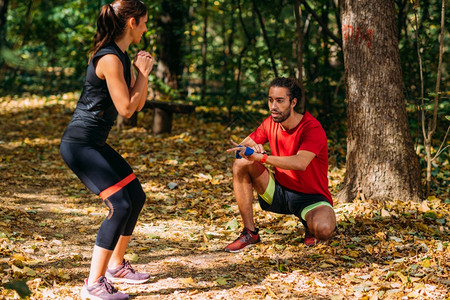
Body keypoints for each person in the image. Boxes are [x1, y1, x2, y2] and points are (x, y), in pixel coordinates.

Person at [60, 1, 154, 299]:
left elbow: (136, 103)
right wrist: (141, 74)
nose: (146, 28)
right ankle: (93, 283)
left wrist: (143, 75)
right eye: (144, 23)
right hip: (80, 145)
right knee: (120, 205)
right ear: (132, 23)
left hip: (94, 143)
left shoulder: (121, 57)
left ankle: (116, 266)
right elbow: (126, 109)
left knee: (135, 196)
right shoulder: (111, 59)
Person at [225, 77, 336, 253]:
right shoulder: (270, 123)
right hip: (279, 192)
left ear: (293, 102)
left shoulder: (312, 128)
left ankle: (309, 224)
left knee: (323, 231)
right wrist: (251, 148)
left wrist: (261, 157)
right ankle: (250, 233)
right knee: (241, 163)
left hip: (311, 198)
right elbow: (240, 149)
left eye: (279, 101)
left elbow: (300, 163)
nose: (273, 106)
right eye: (270, 100)